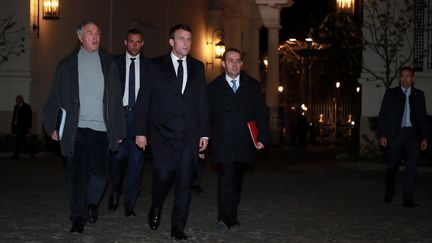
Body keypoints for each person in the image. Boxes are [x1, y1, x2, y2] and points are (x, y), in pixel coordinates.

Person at [42, 20, 126, 234]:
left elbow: (116, 99)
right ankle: (78, 217)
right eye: (90, 33)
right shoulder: (67, 65)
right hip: (75, 130)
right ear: (80, 37)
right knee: (76, 177)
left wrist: (118, 130)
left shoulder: (108, 62)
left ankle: (90, 203)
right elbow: (55, 97)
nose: (95, 37)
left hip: (101, 130)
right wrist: (51, 124)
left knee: (99, 175)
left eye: (97, 33)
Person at [134, 23, 210, 240]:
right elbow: (144, 99)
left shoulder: (198, 67)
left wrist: (204, 133)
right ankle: (156, 205)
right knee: (164, 175)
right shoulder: (155, 66)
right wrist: (140, 130)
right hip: (162, 135)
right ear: (171, 42)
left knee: (185, 182)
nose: (186, 43)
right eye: (181, 38)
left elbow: (201, 102)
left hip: (189, 135)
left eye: (189, 39)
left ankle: (178, 227)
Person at [207, 48, 270, 230]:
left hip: (243, 140)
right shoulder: (213, 87)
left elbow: (261, 113)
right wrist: (206, 138)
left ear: (241, 64)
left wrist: (262, 137)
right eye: (230, 60)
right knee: (225, 178)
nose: (234, 63)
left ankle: (231, 215)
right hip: (223, 140)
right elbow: (206, 116)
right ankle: (224, 218)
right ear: (223, 64)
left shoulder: (252, 85)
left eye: (237, 61)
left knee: (236, 180)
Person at [108, 28, 149, 217]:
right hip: (120, 116)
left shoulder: (149, 66)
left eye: (138, 42)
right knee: (117, 158)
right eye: (131, 41)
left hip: (140, 118)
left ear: (142, 44)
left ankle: (130, 203)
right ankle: (116, 188)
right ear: (125, 42)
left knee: (136, 163)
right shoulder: (113, 63)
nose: (134, 45)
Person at [378, 66, 429, 208]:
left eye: (408, 76)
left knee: (411, 168)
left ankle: (408, 198)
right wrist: (383, 134)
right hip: (396, 134)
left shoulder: (419, 95)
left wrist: (424, 137)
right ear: (399, 78)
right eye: (402, 76)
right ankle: (389, 191)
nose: (405, 79)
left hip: (413, 135)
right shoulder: (391, 93)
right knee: (392, 166)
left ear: (412, 79)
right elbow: (383, 115)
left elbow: (422, 117)